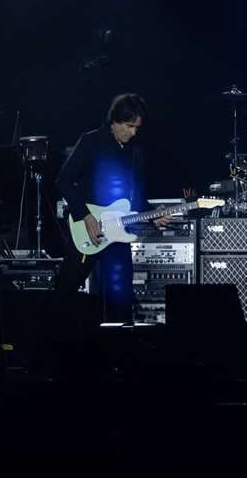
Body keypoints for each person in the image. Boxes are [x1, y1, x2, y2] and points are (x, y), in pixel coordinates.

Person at [54, 93, 169, 323]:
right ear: (115, 120)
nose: (133, 132)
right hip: (87, 229)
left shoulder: (133, 151)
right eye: (129, 126)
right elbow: (63, 181)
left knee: (121, 297)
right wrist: (86, 217)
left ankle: (120, 351)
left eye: (137, 127)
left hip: (116, 233)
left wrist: (153, 214)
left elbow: (132, 198)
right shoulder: (91, 141)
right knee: (64, 294)